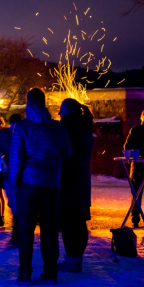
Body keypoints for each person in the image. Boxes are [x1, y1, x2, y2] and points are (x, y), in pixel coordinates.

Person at [8, 89, 71, 285]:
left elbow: (16, 158)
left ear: (28, 103)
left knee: (26, 228)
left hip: (29, 183)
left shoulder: (22, 127)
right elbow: (67, 153)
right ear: (44, 103)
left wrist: (14, 182)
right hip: (52, 183)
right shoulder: (58, 127)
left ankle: (25, 273)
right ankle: (51, 272)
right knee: (50, 227)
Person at [57, 99, 94, 273]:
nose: (58, 113)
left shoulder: (66, 129)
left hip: (68, 182)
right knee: (79, 222)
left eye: (60, 110)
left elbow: (62, 156)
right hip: (82, 182)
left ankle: (71, 260)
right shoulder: (86, 127)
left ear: (68, 111)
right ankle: (76, 259)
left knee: (69, 223)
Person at [0, 114, 21, 242]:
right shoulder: (25, 132)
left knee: (13, 202)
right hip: (23, 174)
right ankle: (19, 231)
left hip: (9, 173)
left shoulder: (4, 134)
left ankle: (17, 232)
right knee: (18, 203)